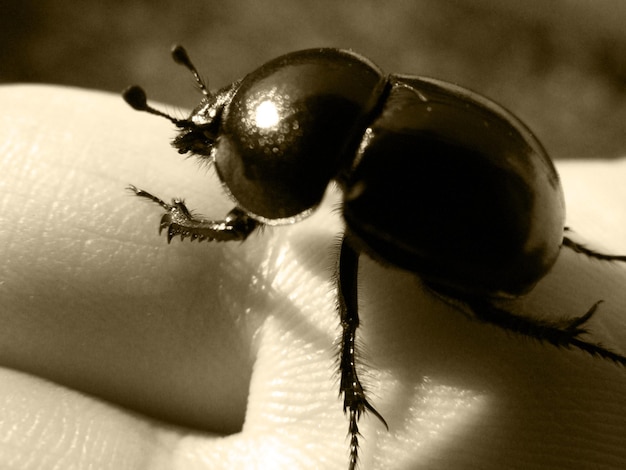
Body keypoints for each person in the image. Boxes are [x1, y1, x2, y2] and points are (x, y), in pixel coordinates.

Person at [1, 84, 626, 469]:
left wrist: (179, 219)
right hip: (530, 206)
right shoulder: (380, 94)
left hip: (512, 236)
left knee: (460, 298)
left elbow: (243, 229)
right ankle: (585, 332)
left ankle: (585, 347)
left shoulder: (365, 183)